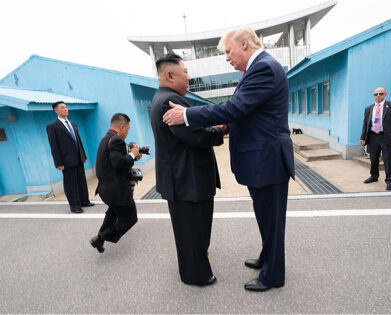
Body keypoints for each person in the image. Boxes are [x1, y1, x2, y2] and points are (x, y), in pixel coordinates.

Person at [163, 27, 295, 292]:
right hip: (262, 160)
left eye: (228, 51)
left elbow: (236, 108)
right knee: (265, 215)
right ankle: (268, 257)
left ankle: (273, 276)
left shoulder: (264, 68)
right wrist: (223, 128)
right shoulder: (256, 69)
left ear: (244, 45)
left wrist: (187, 116)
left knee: (271, 218)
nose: (226, 58)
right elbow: (246, 113)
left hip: (267, 160)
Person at [151, 53, 227, 286]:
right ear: (170, 75)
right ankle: (196, 275)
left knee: (189, 229)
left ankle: (192, 267)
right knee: (193, 230)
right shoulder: (170, 102)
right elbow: (196, 136)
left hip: (182, 178)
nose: (189, 78)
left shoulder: (162, 98)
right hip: (187, 180)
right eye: (185, 73)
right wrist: (221, 129)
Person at [89, 113, 141, 253]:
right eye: (128, 129)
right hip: (117, 191)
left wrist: (132, 157)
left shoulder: (105, 139)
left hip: (106, 190)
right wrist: (131, 154)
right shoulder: (117, 140)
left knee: (112, 213)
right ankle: (100, 237)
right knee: (130, 219)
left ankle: (99, 241)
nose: (128, 132)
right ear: (122, 127)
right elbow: (118, 163)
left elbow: (113, 164)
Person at [46, 101, 94, 213]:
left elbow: (78, 140)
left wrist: (83, 155)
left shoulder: (72, 123)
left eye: (66, 107)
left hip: (78, 157)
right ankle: (75, 206)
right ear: (56, 110)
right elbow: (53, 146)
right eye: (62, 108)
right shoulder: (52, 126)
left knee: (81, 180)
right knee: (70, 184)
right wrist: (58, 163)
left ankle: (84, 201)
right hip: (66, 160)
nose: (65, 109)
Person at [360, 87, 391, 191]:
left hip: (387, 137)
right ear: (373, 96)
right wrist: (362, 137)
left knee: (388, 159)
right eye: (376, 94)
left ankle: (390, 181)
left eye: (380, 93)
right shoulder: (368, 109)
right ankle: (374, 176)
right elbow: (365, 124)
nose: (378, 96)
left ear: (385, 94)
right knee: (373, 158)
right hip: (373, 136)